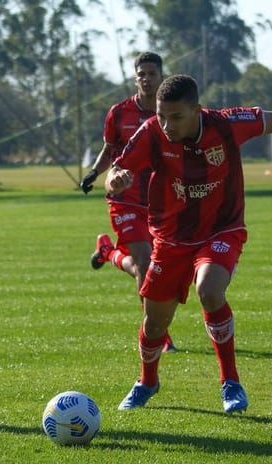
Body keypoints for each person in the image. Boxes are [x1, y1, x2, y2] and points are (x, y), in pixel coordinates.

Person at [105, 74, 272, 414]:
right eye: (162, 115)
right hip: (171, 238)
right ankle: (147, 382)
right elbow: (115, 171)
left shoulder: (226, 124)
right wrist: (116, 179)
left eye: (176, 116)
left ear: (197, 109)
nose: (166, 124)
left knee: (209, 290)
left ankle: (231, 382)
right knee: (155, 323)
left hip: (221, 230)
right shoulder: (152, 132)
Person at [80, 52, 176, 353]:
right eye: (141, 73)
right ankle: (158, 336)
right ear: (135, 78)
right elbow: (109, 149)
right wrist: (95, 172)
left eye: (152, 73)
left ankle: (109, 253)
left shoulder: (170, 113)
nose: (146, 78)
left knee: (150, 268)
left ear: (162, 77)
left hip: (161, 202)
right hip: (125, 200)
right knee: (147, 263)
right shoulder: (119, 113)